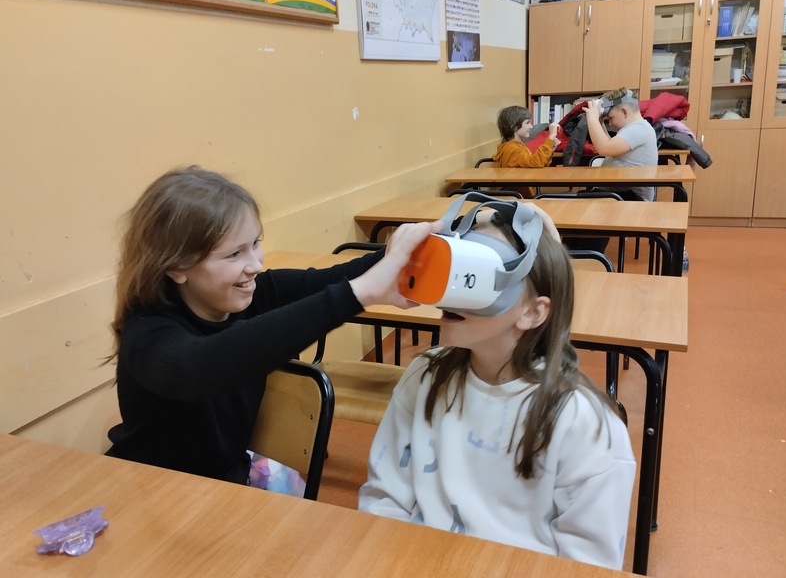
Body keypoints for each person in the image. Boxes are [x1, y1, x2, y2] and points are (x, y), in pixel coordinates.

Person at [104, 166, 441, 493]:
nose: (255, 264)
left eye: (255, 243)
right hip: (153, 491)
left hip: (224, 485)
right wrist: (359, 293)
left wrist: (402, 252)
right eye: (234, 254)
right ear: (177, 266)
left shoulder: (255, 295)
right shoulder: (147, 332)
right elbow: (201, 367)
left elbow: (336, 278)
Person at [358, 203, 636, 570]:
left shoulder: (585, 425)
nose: (451, 294)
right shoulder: (424, 376)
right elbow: (384, 499)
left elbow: (587, 563)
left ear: (533, 312)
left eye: (477, 275)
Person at [584, 86, 658, 202]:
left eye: (611, 118)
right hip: (618, 195)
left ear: (624, 112)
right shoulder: (636, 128)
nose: (610, 124)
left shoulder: (639, 129)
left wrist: (592, 119)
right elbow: (610, 147)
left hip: (631, 199)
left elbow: (604, 148)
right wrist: (599, 122)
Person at [493, 105, 560, 170]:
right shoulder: (512, 149)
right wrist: (551, 136)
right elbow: (536, 162)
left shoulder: (517, 146)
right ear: (514, 127)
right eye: (527, 123)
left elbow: (538, 165)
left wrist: (550, 149)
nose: (531, 126)